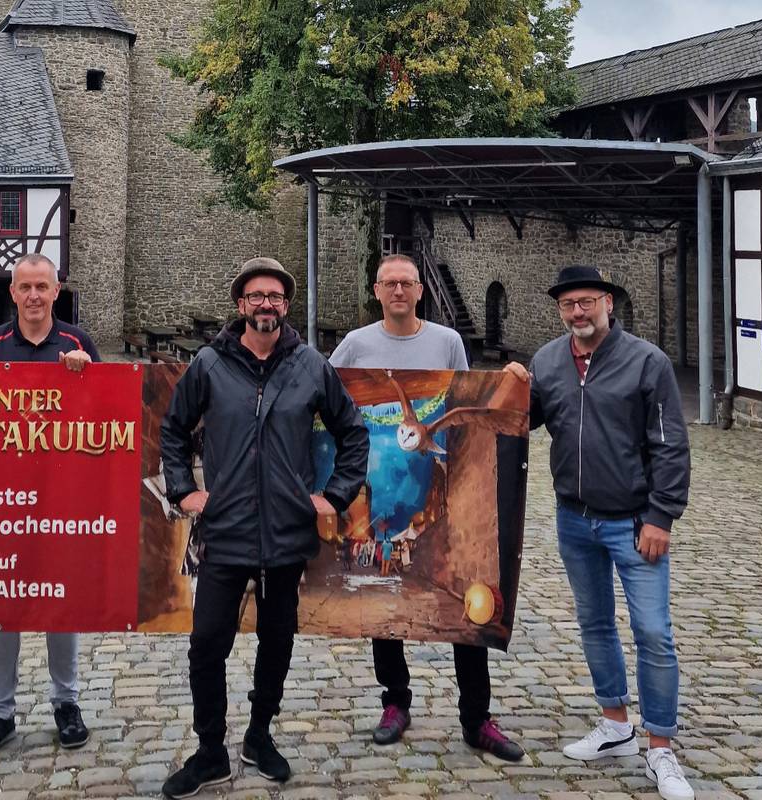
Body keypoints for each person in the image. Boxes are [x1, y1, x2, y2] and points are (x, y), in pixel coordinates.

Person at [158, 257, 369, 798]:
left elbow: (352, 434)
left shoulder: (310, 366)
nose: (266, 304)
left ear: (286, 305)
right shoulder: (209, 364)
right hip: (225, 530)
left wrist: (333, 496)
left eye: (275, 296)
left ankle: (259, 734)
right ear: (241, 305)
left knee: (277, 641)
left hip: (285, 532)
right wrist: (183, 490)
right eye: (256, 296)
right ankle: (210, 751)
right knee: (207, 644)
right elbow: (174, 429)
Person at [328, 253, 527, 762]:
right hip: (381, 483)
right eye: (390, 283)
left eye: (407, 283)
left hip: (436, 479)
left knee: (466, 595)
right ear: (377, 291)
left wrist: (508, 380)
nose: (398, 291)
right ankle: (395, 701)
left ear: (419, 291)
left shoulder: (447, 341)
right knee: (385, 601)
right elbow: (326, 393)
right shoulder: (356, 344)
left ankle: (476, 717)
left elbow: (468, 399)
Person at [519, 265, 693, 800]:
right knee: (594, 623)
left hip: (633, 521)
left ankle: (660, 748)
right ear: (559, 310)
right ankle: (615, 724)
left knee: (653, 632)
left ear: (608, 303)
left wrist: (661, 516)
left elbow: (670, 444)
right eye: (568, 304)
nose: (578, 312)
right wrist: (509, 387)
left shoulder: (646, 362)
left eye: (587, 302)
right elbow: (523, 420)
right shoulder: (548, 361)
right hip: (574, 518)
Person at [0, 253, 98, 759]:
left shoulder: (79, 344)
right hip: (4, 500)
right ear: (13, 293)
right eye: (26, 287)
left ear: (56, 291)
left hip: (61, 497)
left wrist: (87, 378)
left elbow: (106, 418)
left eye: (43, 286)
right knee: (2, 603)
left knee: (61, 600)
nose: (35, 296)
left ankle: (67, 702)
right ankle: (0, 711)